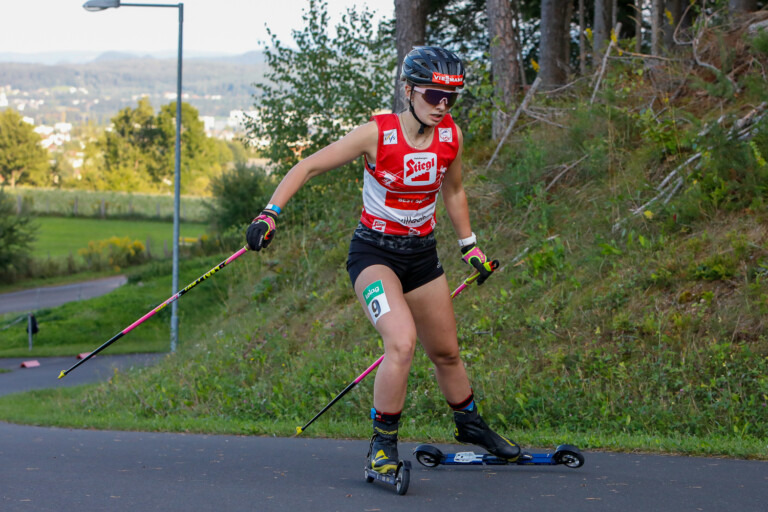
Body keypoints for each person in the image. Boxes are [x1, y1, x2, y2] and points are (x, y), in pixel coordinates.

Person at [246, 46, 521, 475]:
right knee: (401, 342)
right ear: (408, 90)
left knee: (447, 352)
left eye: (452, 97)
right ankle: (382, 446)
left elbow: (453, 190)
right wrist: (270, 213)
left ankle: (469, 424)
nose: (442, 106)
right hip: (374, 254)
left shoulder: (451, 136)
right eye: (433, 95)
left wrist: (470, 245)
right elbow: (308, 167)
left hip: (422, 255)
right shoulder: (377, 134)